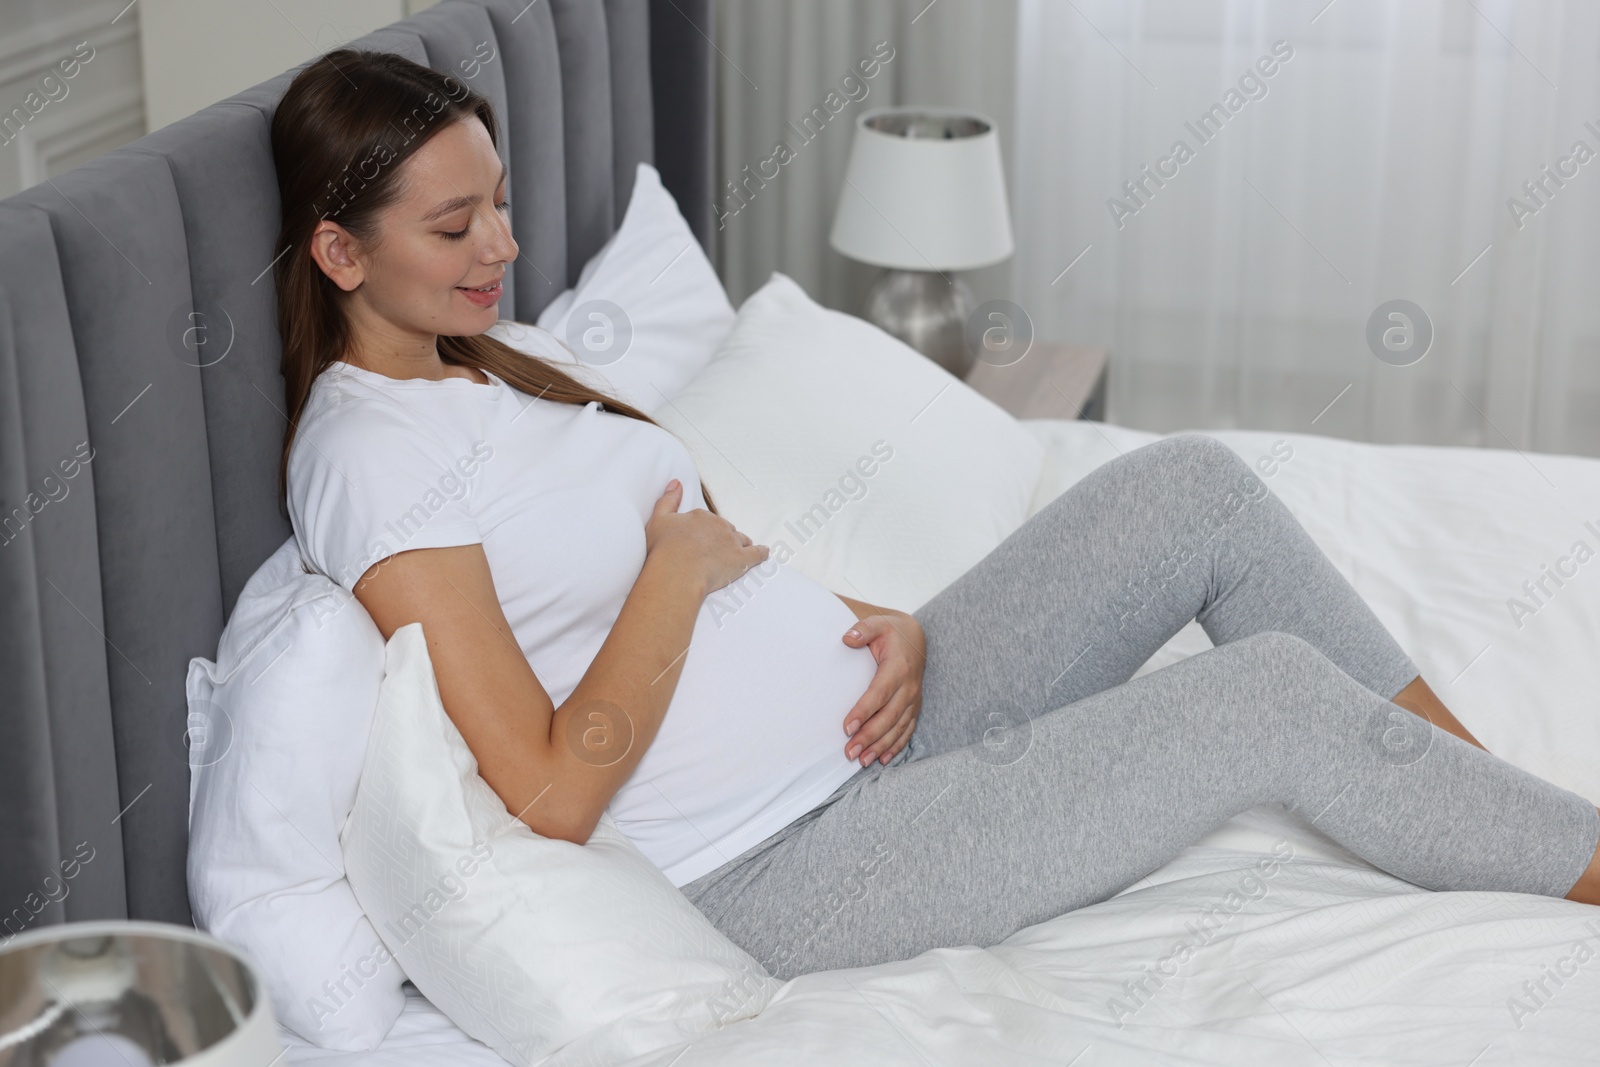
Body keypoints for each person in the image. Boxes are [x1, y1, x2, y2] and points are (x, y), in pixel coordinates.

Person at [274, 50, 1600, 983]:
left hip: (879, 727)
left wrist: (876, 622)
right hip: (798, 863)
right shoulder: (371, 459)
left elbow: (708, 551)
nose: (500, 246)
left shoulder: (497, 363)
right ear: (341, 253)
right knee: (1264, 701)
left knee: (1195, 493)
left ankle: (1498, 809)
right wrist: (673, 578)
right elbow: (554, 793)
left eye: (499, 200)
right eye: (455, 227)